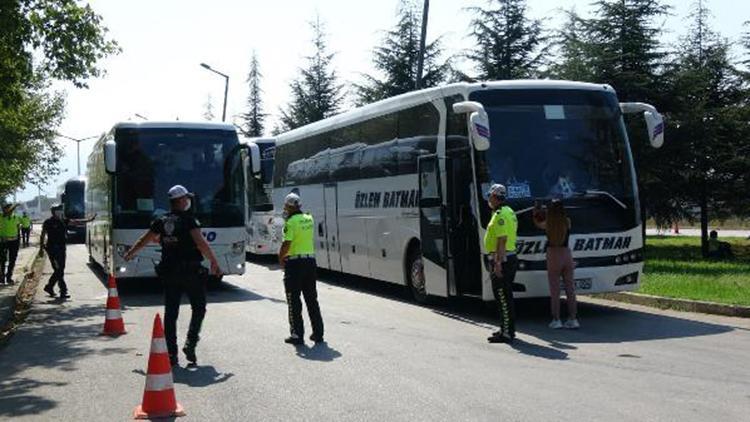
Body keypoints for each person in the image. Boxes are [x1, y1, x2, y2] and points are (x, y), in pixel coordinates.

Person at [124, 185, 222, 367]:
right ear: (181, 200)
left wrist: (130, 253)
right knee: (199, 308)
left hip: (170, 272)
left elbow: (143, 240)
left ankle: (171, 354)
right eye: (186, 198)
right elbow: (201, 244)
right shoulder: (189, 220)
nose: (188, 201)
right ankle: (190, 344)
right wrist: (215, 262)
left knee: (171, 313)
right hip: (190, 271)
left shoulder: (161, 221)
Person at [278, 192, 324, 345]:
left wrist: (280, 258)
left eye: (286, 206)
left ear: (289, 207)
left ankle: (297, 334)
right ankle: (318, 333)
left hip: (295, 265)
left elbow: (287, 244)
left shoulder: (290, 222)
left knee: (294, 300)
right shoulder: (309, 218)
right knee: (312, 299)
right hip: (310, 262)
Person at [533, 200, 579, 329]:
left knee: (555, 291)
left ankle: (556, 319)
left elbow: (537, 223)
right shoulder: (567, 221)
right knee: (570, 289)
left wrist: (536, 211)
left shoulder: (548, 223)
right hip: (567, 254)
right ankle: (573, 318)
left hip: (553, 254)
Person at [483, 184, 519, 344]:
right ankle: (506, 328)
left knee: (503, 297)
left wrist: (497, 263)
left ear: (495, 197)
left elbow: (502, 240)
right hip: (509, 258)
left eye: (489, 196)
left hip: (503, 260)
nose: (488, 199)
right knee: (505, 296)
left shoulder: (500, 214)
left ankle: (507, 332)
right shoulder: (509, 211)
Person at [40, 204, 95, 298]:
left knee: (60, 269)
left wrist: (88, 220)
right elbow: (42, 235)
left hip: (61, 248)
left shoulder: (63, 220)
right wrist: (41, 248)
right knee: (58, 270)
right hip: (52, 249)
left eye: (61, 210)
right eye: (59, 210)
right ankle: (63, 290)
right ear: (54, 212)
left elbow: (76, 222)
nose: (61, 212)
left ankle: (49, 287)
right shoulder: (48, 222)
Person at [0, 204, 22, 285]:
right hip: (3, 241)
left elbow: (18, 229)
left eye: (9, 210)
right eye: (4, 210)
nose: (6, 211)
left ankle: (9, 277)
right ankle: (1, 277)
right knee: (2, 259)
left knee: (12, 259)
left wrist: (19, 240)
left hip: (14, 241)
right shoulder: (1, 217)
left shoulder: (16, 217)